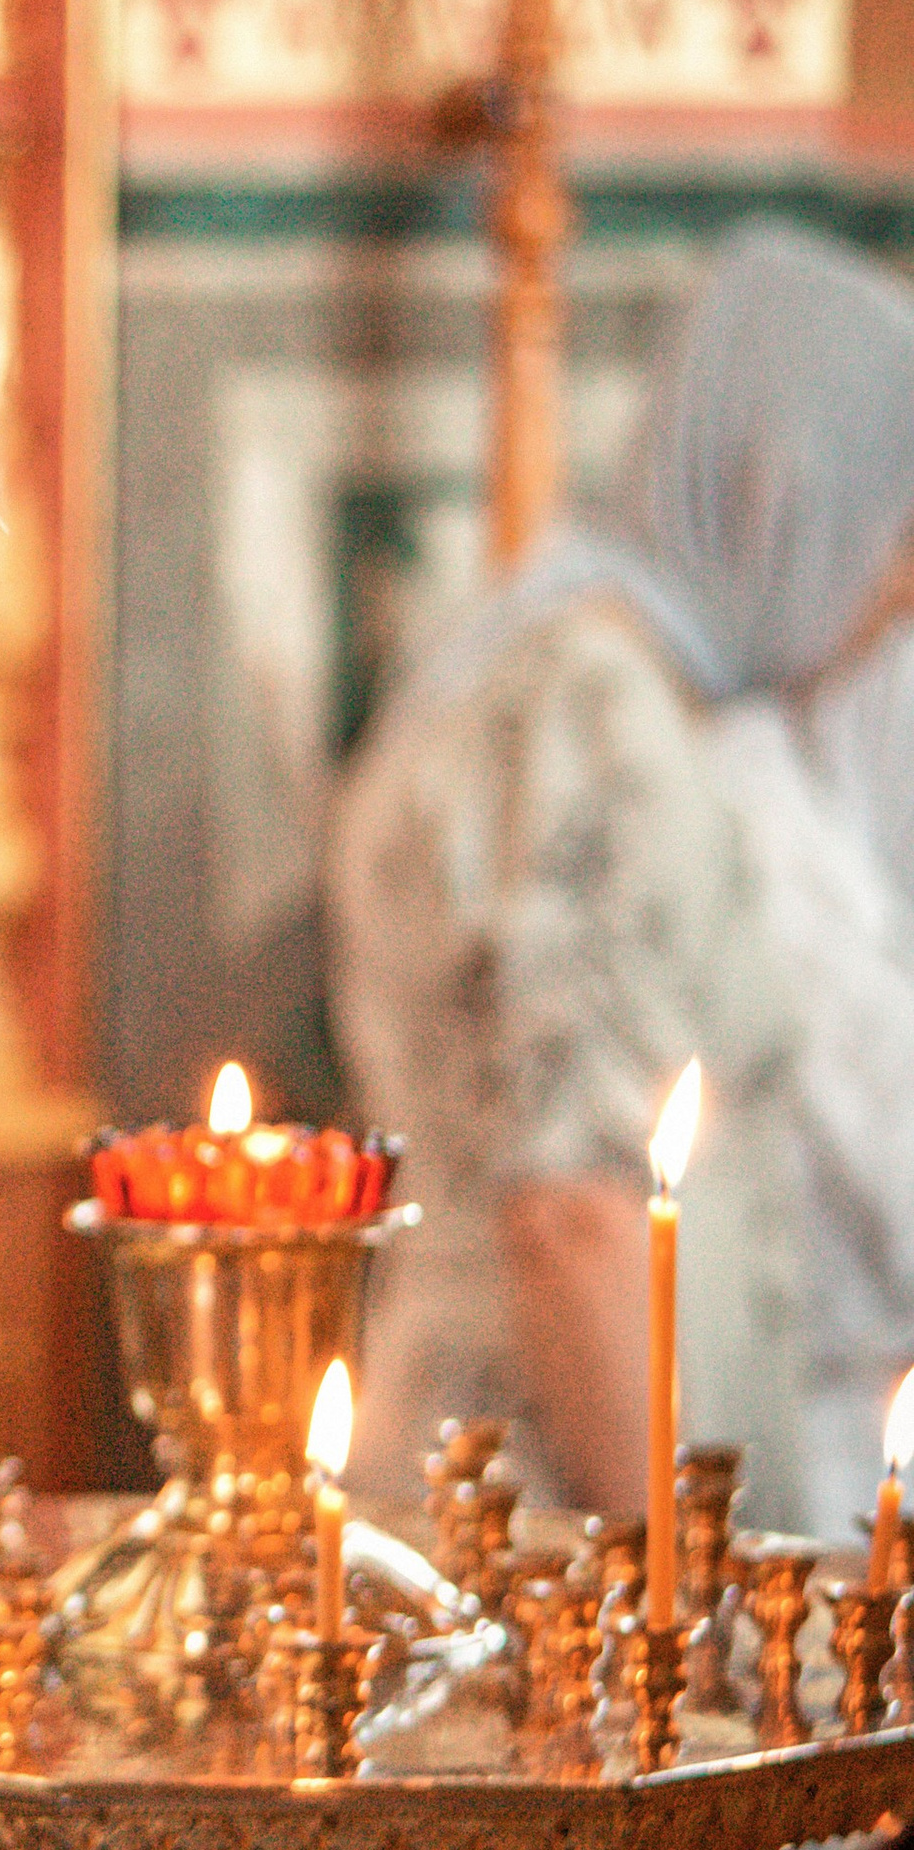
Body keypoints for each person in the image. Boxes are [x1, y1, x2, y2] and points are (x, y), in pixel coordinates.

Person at [328, 218, 914, 1535]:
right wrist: (685, 1613)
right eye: (891, 540)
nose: (894, 598)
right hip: (553, 1542)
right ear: (786, 492)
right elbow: (574, 1217)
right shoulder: (595, 712)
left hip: (512, 1510)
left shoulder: (539, 666)